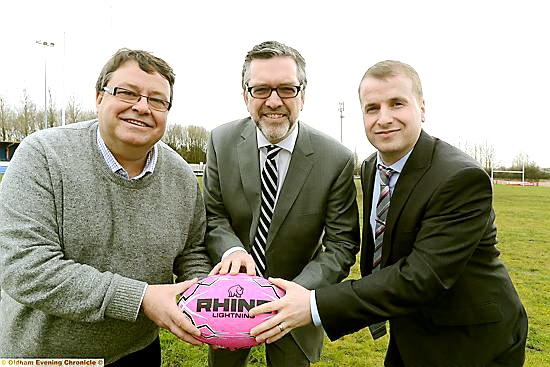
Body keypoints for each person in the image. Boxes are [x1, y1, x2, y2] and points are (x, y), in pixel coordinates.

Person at [249, 60, 529, 366]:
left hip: (470, 340)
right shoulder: (372, 168)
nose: (384, 118)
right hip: (409, 329)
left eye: (397, 104)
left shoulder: (460, 178)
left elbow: (420, 277)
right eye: (372, 108)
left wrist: (315, 304)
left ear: (422, 108)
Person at [0, 48, 211, 365]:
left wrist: (207, 299)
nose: (141, 107)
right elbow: (24, 267)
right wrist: (140, 299)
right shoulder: (43, 155)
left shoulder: (181, 175)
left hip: (138, 350)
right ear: (99, 97)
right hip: (47, 356)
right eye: (127, 93)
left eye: (157, 100)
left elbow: (192, 249)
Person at [203, 40, 360, 367]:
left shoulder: (336, 159)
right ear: (245, 95)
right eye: (261, 89)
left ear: (303, 94)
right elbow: (214, 216)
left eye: (287, 89)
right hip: (229, 300)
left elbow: (342, 245)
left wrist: (296, 294)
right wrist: (232, 251)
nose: (274, 101)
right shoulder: (220, 141)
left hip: (296, 301)